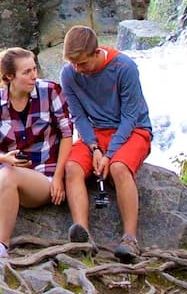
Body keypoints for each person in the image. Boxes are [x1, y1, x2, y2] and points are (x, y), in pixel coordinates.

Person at [0, 48, 84, 258]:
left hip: (44, 177)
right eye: (27, 72)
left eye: (34, 69)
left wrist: (58, 177)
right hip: (8, 170)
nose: (34, 75)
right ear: (9, 76)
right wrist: (3, 158)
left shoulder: (50, 91)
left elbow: (68, 135)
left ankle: (1, 245)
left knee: (8, 174)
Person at [57, 25, 153, 262]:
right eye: (74, 65)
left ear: (96, 52)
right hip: (96, 134)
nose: (79, 70)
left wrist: (109, 155)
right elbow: (78, 116)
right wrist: (94, 148)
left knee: (119, 168)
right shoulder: (69, 74)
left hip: (133, 131)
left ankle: (130, 239)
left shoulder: (125, 68)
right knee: (72, 168)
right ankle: (82, 236)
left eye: (83, 64)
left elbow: (130, 116)